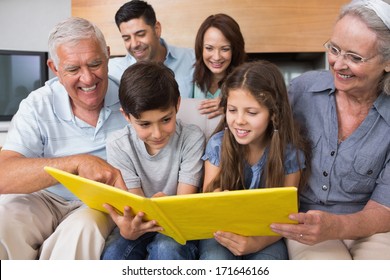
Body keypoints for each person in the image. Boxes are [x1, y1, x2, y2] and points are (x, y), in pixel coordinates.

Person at [270, 0, 390, 260]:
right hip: (307, 222)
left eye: (355, 57)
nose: (337, 64)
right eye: (334, 49)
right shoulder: (302, 90)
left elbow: (385, 207)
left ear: (387, 62)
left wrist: (337, 226)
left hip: (373, 226)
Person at [0, 17, 128, 260]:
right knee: (3, 221)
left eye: (95, 64)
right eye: (73, 69)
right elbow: (3, 174)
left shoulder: (130, 98)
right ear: (55, 68)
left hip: (96, 203)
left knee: (82, 231)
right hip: (44, 197)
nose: (88, 79)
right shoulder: (37, 104)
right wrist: (77, 163)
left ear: (108, 55)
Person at [199, 60, 309, 260]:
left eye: (251, 112)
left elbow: (287, 215)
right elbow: (209, 205)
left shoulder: (290, 153)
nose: (239, 120)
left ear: (273, 114)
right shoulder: (218, 145)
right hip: (221, 233)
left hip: (267, 235)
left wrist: (256, 242)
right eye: (232, 110)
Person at [101, 61, 205, 260]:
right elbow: (136, 208)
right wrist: (130, 226)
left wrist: (162, 208)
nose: (157, 134)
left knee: (165, 248)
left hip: (178, 225)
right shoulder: (118, 144)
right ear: (127, 116)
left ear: (177, 105)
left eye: (166, 120)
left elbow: (183, 205)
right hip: (142, 227)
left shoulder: (192, 138)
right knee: (113, 253)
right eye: (145, 124)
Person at [109, 0, 195, 98]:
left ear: (157, 29)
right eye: (127, 38)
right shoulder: (114, 71)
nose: (134, 44)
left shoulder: (192, 59)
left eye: (140, 34)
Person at [193, 13, 246, 119]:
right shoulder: (190, 76)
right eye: (209, 48)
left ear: (234, 50)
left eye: (225, 49)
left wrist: (232, 107)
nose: (216, 57)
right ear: (201, 48)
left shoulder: (246, 80)